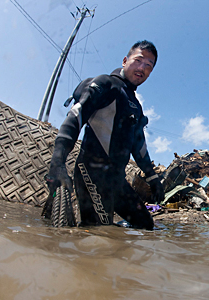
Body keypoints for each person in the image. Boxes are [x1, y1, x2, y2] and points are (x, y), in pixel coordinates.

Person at [46, 40, 163, 229]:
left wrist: (153, 178)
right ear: (125, 60)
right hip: (92, 173)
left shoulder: (136, 106)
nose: (142, 68)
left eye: (148, 66)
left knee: (145, 225)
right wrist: (57, 163)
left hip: (116, 179)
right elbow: (74, 118)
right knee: (99, 234)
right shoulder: (105, 84)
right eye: (138, 60)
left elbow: (139, 146)